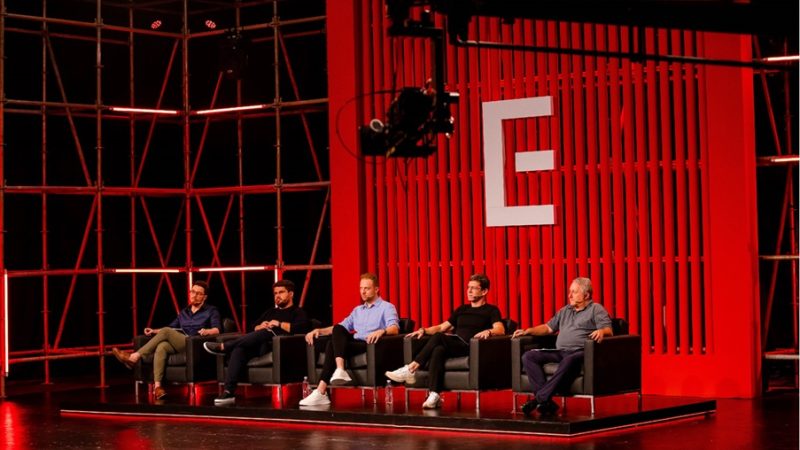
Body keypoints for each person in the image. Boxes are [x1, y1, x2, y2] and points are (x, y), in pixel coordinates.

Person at [384, 273, 505, 409]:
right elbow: (442, 327)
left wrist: (489, 331)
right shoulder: (462, 309)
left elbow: (500, 329)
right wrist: (423, 330)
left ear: (484, 291)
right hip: (455, 345)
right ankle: (434, 394)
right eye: (468, 287)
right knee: (438, 350)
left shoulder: (491, 310)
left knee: (439, 337)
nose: (469, 291)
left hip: (472, 347)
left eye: (474, 288)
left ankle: (410, 368)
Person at [512, 277, 612, 416]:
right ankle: (545, 402)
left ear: (586, 295)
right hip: (561, 351)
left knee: (569, 359)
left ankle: (537, 400)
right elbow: (548, 328)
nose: (569, 295)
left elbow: (609, 330)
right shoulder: (565, 310)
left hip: (581, 352)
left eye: (574, 292)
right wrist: (528, 331)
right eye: (570, 292)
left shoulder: (596, 309)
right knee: (529, 356)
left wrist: (601, 331)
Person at [203, 279, 311, 405]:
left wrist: (279, 324)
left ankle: (225, 346)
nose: (277, 296)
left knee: (267, 332)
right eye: (275, 293)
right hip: (259, 346)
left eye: (281, 292)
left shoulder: (298, 312)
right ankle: (228, 392)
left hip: (279, 349)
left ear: (291, 294)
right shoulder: (271, 312)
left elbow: (302, 328)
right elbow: (251, 328)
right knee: (239, 350)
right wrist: (259, 326)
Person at [299, 273, 399, 406]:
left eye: (367, 288)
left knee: (331, 344)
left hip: (371, 344)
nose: (363, 291)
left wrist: (382, 331)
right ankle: (337, 373)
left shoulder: (386, 307)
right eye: (361, 288)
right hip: (355, 343)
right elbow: (340, 327)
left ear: (376, 289)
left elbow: (395, 328)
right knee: (337, 331)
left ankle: (321, 391)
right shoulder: (358, 310)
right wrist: (319, 331)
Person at [112, 280, 221, 400]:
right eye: (192, 292)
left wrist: (207, 331)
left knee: (166, 332)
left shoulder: (211, 310)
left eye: (198, 293)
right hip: (183, 343)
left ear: (204, 297)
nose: (194, 295)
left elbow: (217, 330)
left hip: (196, 345)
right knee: (162, 346)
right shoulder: (184, 312)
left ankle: (135, 356)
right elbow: (170, 328)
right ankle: (158, 387)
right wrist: (154, 331)